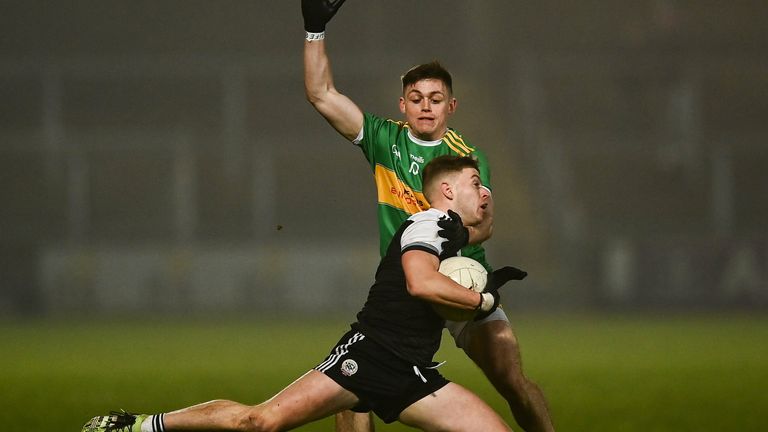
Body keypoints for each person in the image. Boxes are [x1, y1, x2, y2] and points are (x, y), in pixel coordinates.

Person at [81, 156, 524, 432]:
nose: (483, 190)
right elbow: (420, 283)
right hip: (368, 355)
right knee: (259, 421)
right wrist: (482, 301)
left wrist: (484, 204)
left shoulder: (448, 230)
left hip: (412, 371)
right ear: (446, 191)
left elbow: (481, 228)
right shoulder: (429, 224)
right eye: (474, 182)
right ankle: (141, 425)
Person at [302, 1, 555, 431]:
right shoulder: (384, 140)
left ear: (451, 106)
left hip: (460, 279)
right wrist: (314, 30)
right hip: (406, 291)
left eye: (435, 99)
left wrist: (450, 238)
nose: (426, 107)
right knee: (352, 393)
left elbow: (485, 224)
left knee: (512, 381)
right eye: (416, 99)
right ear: (402, 104)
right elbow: (321, 94)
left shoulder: (469, 157)